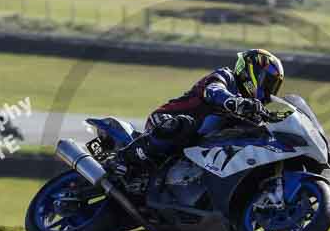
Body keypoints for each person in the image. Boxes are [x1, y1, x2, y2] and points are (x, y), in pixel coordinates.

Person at [121, 49, 284, 172]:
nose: (269, 90)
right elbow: (214, 90)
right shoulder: (226, 76)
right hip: (166, 120)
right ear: (252, 70)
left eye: (273, 87)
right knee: (184, 124)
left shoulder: (251, 112)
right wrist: (234, 101)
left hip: (195, 149)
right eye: (268, 82)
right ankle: (123, 159)